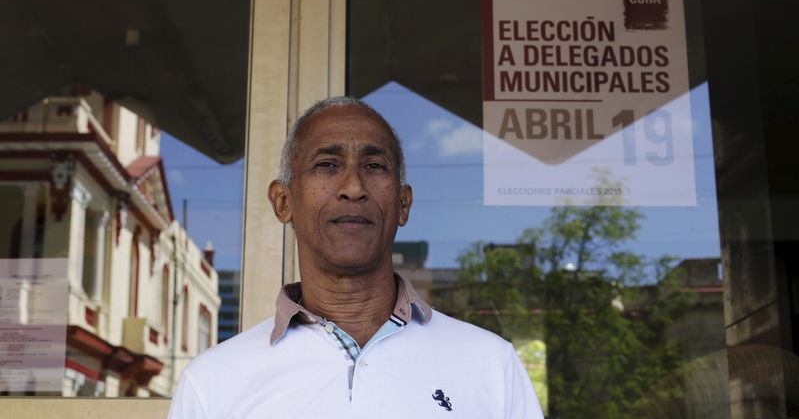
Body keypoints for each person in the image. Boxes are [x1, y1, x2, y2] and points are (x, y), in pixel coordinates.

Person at [168, 97, 545, 418]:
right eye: (327, 165)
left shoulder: (491, 364)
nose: (353, 187)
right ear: (283, 202)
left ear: (402, 204)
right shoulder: (213, 383)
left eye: (374, 166)